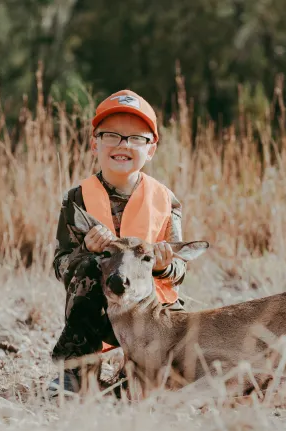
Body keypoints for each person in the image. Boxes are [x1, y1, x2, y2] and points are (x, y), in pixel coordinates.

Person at [48, 90, 187, 396]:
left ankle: (134, 374)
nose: (123, 145)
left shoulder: (167, 200)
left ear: (151, 149)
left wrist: (164, 266)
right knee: (87, 267)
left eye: (136, 138)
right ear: (94, 142)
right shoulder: (76, 199)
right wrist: (88, 250)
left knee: (136, 392)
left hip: (151, 316)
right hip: (100, 311)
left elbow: (180, 269)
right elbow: (60, 266)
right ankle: (76, 372)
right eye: (111, 135)